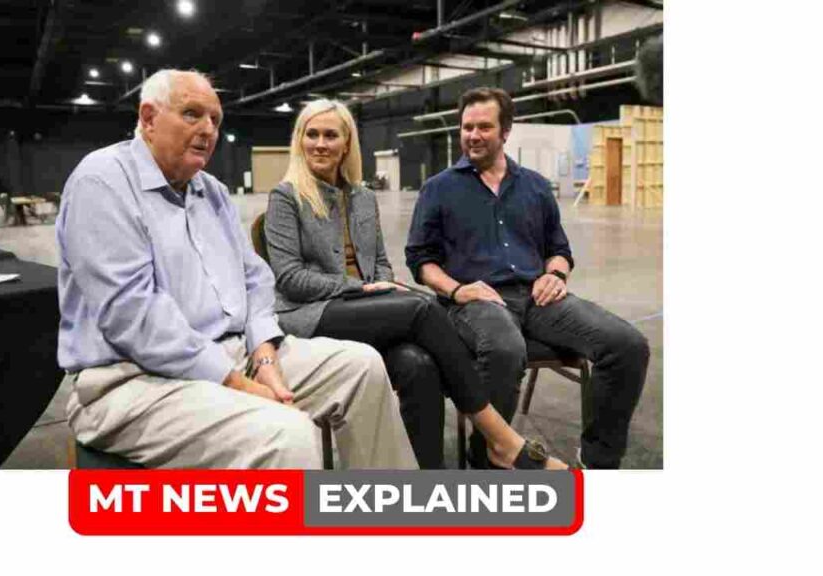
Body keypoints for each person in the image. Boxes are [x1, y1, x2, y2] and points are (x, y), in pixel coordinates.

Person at [55, 70, 416, 469]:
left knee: (363, 367)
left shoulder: (211, 191)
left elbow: (255, 279)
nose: (208, 130)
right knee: (286, 436)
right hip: (134, 379)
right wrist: (236, 382)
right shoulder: (102, 182)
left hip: (236, 351)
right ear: (149, 118)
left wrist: (264, 352)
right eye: (192, 114)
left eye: (215, 119)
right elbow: (134, 316)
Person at [264, 98, 568, 470]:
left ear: (346, 144)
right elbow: (290, 279)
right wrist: (361, 289)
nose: (320, 144)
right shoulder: (286, 197)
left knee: (419, 365)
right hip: (312, 314)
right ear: (300, 141)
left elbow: (380, 264)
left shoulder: (363, 198)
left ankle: (427, 480)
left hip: (365, 309)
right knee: (423, 307)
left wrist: (380, 287)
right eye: (312, 135)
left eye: (331, 135)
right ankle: (501, 438)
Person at [406, 87, 650, 469]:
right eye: (467, 127)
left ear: (506, 131)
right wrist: (457, 290)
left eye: (484, 127)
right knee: (504, 349)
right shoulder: (438, 189)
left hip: (538, 298)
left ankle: (598, 461)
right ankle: (488, 456)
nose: (473, 135)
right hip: (475, 301)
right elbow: (421, 260)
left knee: (627, 345)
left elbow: (559, 248)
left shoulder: (534, 186)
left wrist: (555, 273)